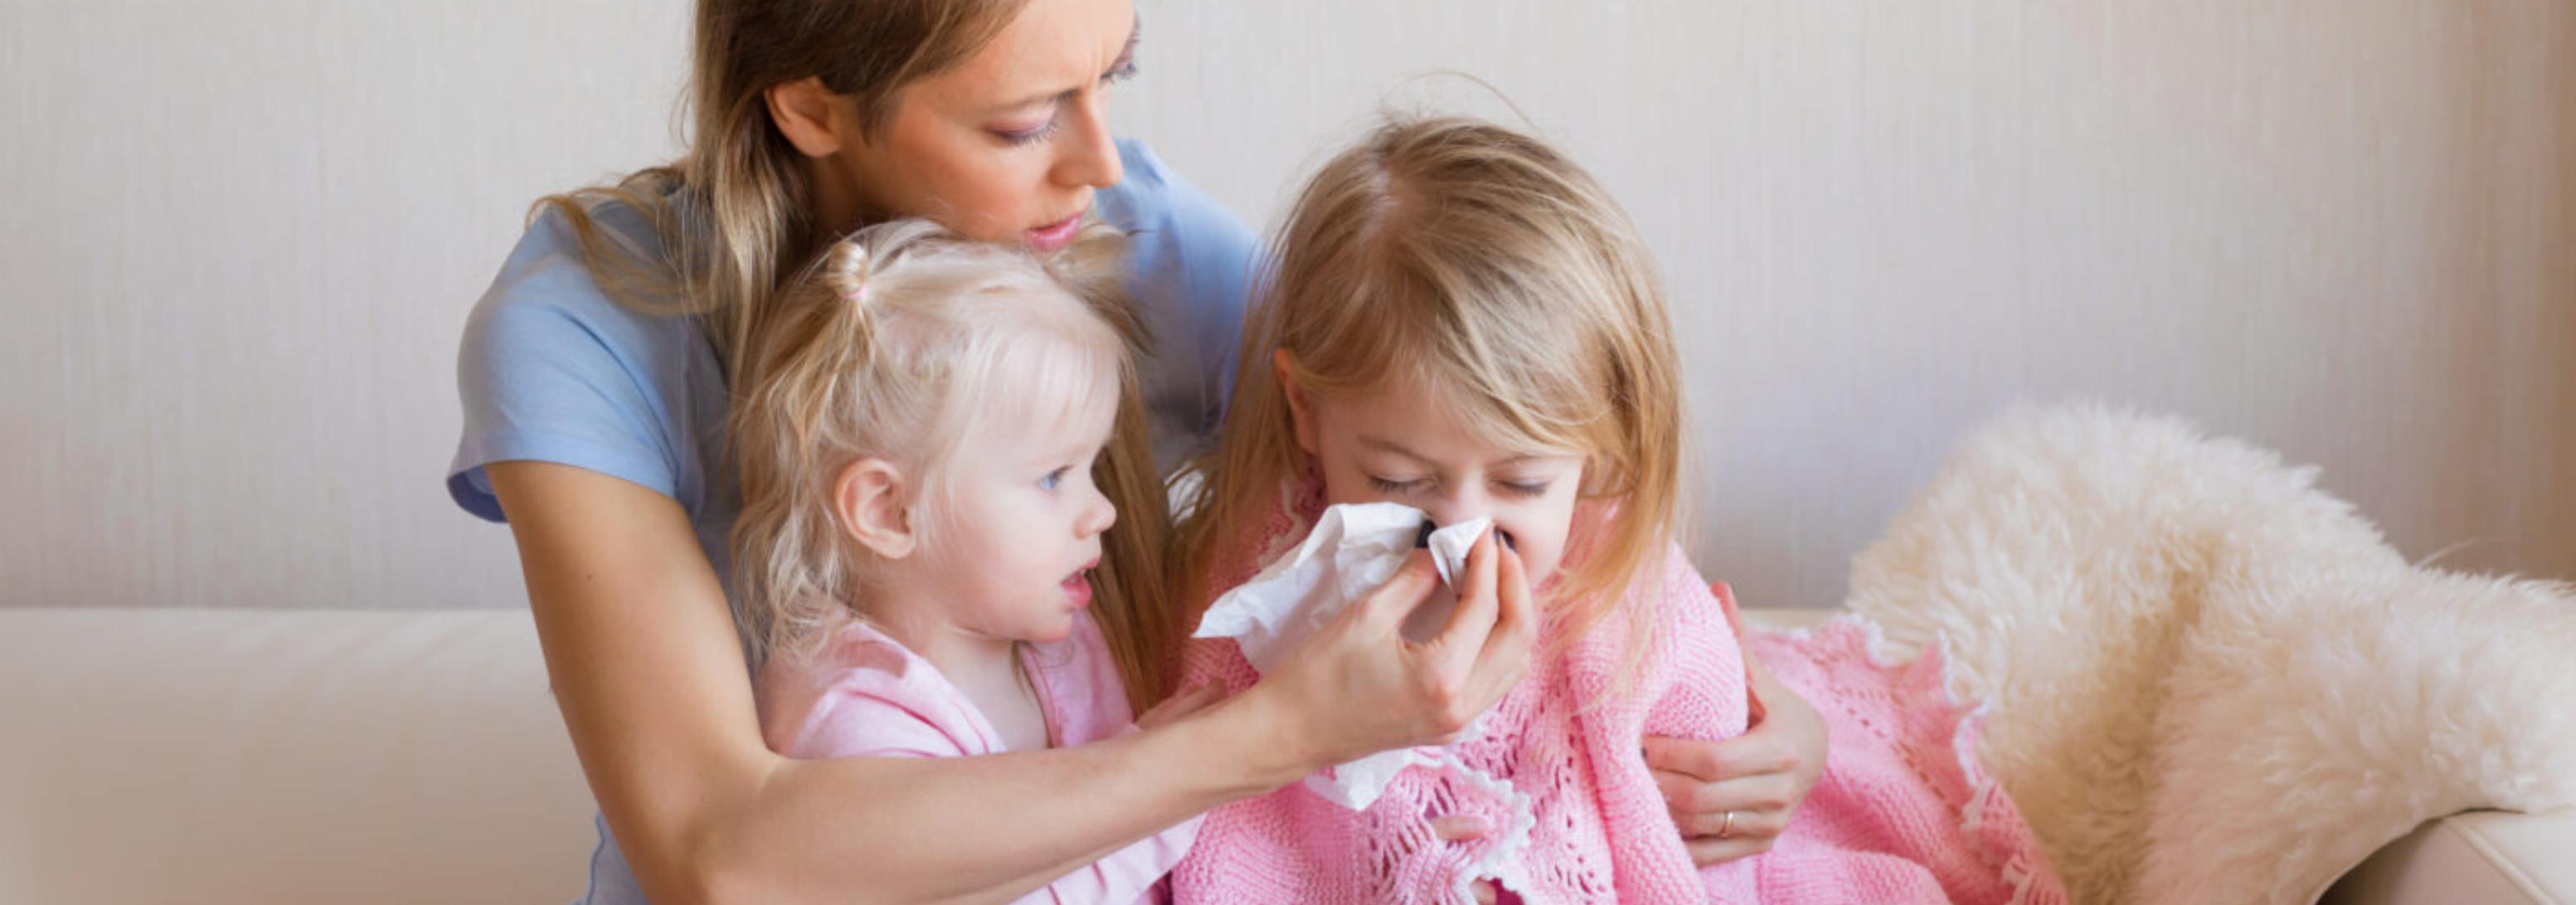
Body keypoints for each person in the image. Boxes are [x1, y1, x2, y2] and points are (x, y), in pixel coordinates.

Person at [448, 2, 1823, 901]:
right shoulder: (588, 321)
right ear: (810, 106)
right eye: (1021, 119)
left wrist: (1750, 706)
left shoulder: (1125, 232)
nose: (1101, 163)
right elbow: (717, 850)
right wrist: (1278, 733)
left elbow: (1470, 415)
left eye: (1114, 76)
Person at [1168, 115, 2062, 904]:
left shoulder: (1615, 584)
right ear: (1304, 411)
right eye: (1400, 479)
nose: (1462, 524)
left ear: (1594, 449)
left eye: (1520, 483)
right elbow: (1216, 822)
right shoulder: (1260, 576)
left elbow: (1710, 791)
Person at [734, 219, 1203, 903]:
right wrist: (1182, 788)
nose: (1102, 511)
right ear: (889, 511)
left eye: (1091, 467)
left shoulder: (1068, 641)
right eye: (1052, 477)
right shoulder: (852, 719)